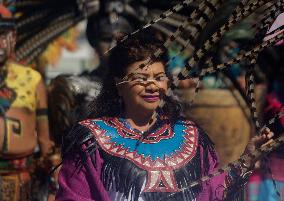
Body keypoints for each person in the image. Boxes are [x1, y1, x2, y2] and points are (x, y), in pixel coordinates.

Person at [55, 31, 273, 201]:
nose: (152, 86)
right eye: (141, 78)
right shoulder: (92, 141)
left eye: (159, 77)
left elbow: (212, 190)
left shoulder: (190, 135)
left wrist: (247, 158)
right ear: (119, 85)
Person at [0, 4, 54, 201]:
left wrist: (51, 163)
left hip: (22, 178)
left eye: (2, 35)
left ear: (13, 37)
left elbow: (44, 136)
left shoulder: (32, 79)